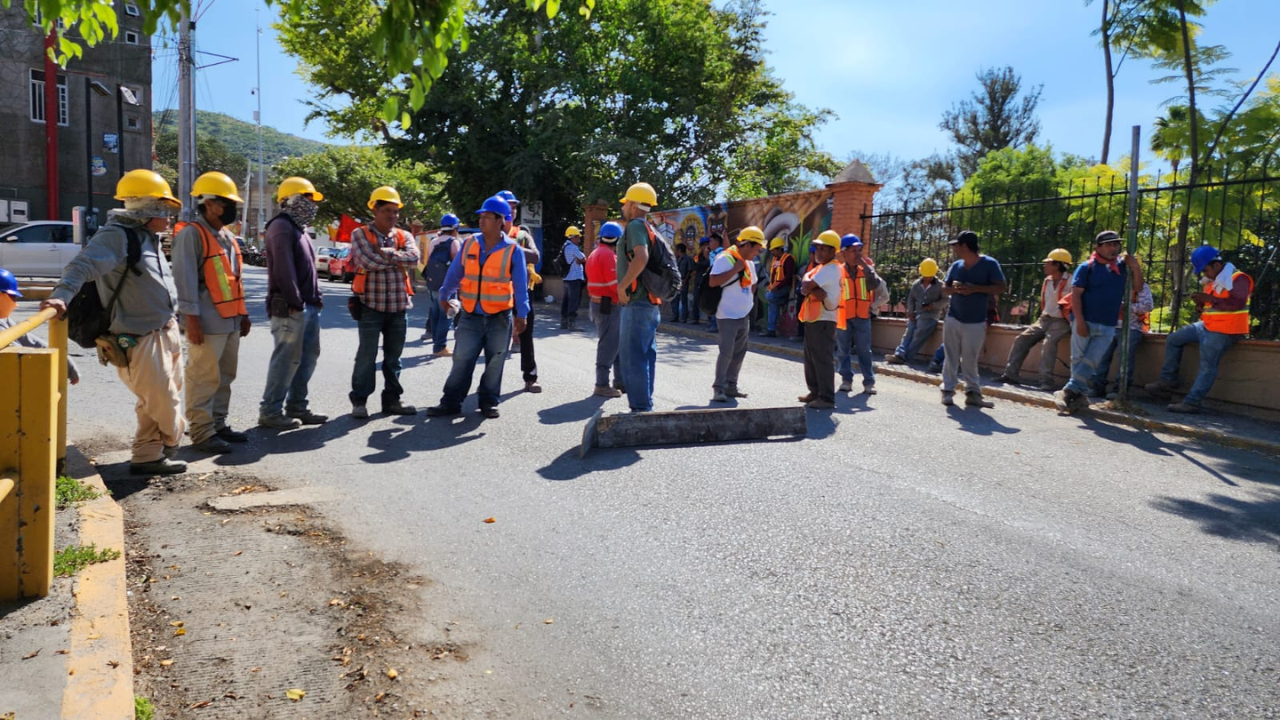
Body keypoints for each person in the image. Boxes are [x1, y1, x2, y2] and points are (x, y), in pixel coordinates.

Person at [41, 169, 186, 475]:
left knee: (152, 403)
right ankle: (174, 439)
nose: (170, 216)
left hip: (165, 330)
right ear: (148, 207)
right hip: (138, 336)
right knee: (163, 400)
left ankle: (147, 457)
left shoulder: (148, 237)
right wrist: (61, 295)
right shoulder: (117, 235)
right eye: (165, 207)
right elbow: (83, 264)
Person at [427, 195, 529, 418]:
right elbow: (455, 272)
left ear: (501, 220)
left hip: (500, 317)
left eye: (487, 217)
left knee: (495, 361)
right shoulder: (470, 243)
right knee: (462, 359)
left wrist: (522, 314)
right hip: (471, 314)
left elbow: (521, 286)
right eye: (481, 217)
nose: (482, 221)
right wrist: (444, 295)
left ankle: (488, 402)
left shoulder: (513, 250)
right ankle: (451, 402)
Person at [171, 172, 251, 453]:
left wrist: (243, 314)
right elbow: (185, 279)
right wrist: (190, 319)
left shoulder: (226, 235)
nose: (232, 208)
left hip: (229, 321)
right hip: (205, 321)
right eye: (227, 202)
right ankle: (202, 431)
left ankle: (218, 423)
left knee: (225, 376)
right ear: (208, 203)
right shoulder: (192, 234)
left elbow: (232, 279)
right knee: (203, 377)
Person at [1146, 245, 1254, 413]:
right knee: (1174, 339)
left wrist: (1209, 298)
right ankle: (1168, 381)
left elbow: (1237, 303)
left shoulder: (1239, 278)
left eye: (1205, 270)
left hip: (1226, 330)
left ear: (1216, 265)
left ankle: (1192, 402)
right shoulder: (1215, 279)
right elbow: (1213, 307)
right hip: (1206, 326)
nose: (1205, 274)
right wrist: (1201, 304)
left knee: (1207, 366)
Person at [260, 176, 328, 430]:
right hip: (291, 307)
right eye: (307, 198)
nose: (312, 204)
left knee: (307, 357)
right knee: (286, 359)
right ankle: (270, 411)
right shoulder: (281, 226)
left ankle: (297, 407)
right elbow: (283, 269)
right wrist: (295, 301)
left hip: (307, 306)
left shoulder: (299, 229)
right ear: (290, 201)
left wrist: (315, 300)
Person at [349, 185, 420, 419]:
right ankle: (359, 401)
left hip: (399, 307)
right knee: (366, 356)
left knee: (394, 358)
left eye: (395, 211)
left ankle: (392, 400)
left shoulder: (404, 235)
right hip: (371, 306)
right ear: (375, 210)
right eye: (387, 210)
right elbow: (367, 262)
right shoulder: (360, 234)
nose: (392, 216)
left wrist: (386, 253)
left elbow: (415, 258)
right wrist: (398, 259)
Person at [1056, 231, 1143, 414]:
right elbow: (1076, 296)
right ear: (1098, 247)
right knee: (1078, 359)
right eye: (1109, 245)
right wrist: (1079, 322)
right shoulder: (1086, 267)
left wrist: (1135, 267)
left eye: (1116, 244)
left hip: (1108, 324)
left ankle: (1068, 391)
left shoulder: (1122, 267)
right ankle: (1079, 397)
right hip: (1084, 320)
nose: (1113, 248)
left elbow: (1138, 288)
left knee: (1092, 360)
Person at [940, 230, 1006, 408]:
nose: (954, 249)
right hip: (953, 317)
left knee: (970, 358)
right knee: (951, 355)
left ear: (965, 246)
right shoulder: (956, 266)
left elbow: (1001, 287)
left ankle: (973, 393)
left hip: (976, 320)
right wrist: (955, 289)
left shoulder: (990, 264)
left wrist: (975, 288)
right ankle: (947, 390)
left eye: (957, 245)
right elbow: (944, 289)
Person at [995, 248, 1073, 391]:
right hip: (1045, 318)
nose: (1045, 266)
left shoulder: (1071, 281)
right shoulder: (1047, 281)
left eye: (1048, 263)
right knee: (1021, 339)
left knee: (1049, 344)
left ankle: (1046, 381)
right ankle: (1010, 374)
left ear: (1057, 265)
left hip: (1061, 320)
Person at [616, 181, 662, 413]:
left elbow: (641, 257)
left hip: (637, 303)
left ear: (634, 205)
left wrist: (622, 286)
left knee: (633, 357)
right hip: (650, 303)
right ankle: (645, 405)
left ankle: (640, 408)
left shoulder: (635, 225)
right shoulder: (650, 228)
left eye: (626, 203)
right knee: (645, 355)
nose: (623, 207)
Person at [709, 226, 763, 403]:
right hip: (726, 315)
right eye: (756, 248)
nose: (758, 252)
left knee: (739, 352)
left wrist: (748, 303)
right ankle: (719, 388)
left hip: (742, 315)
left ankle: (731, 386)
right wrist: (735, 269)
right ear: (746, 245)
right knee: (726, 352)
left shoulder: (748, 263)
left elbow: (752, 284)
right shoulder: (725, 259)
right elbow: (713, 281)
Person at [496, 190, 542, 393]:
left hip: (521, 292)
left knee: (526, 335)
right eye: (508, 206)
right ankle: (490, 384)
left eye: (514, 206)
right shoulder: (486, 235)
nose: (512, 210)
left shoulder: (522, 234)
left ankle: (530, 378)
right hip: (496, 292)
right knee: (494, 340)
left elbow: (535, 256)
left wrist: (508, 247)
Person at [0, 268, 79, 384]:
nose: (14, 303)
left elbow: (28, 340)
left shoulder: (3, 319)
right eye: (12, 297)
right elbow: (18, 353)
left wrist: (64, 361)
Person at [796, 230, 844, 410]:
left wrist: (810, 287)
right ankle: (815, 392)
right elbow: (804, 284)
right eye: (818, 248)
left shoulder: (831, 268)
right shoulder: (820, 268)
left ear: (833, 251)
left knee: (822, 359)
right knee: (811, 357)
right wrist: (814, 289)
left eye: (824, 249)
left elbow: (806, 284)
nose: (819, 252)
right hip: (815, 318)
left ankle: (826, 397)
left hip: (824, 319)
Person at [834, 234, 881, 395]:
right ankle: (846, 380)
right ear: (844, 253)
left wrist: (866, 267)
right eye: (853, 250)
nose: (857, 254)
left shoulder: (866, 270)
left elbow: (874, 285)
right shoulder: (838, 271)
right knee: (843, 350)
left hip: (862, 316)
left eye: (859, 250)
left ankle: (869, 382)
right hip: (843, 315)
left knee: (864, 350)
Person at [1091, 279, 1153, 398]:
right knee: (1101, 357)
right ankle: (1097, 387)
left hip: (1131, 327)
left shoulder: (1142, 287)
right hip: (1109, 327)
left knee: (1125, 360)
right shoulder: (1112, 283)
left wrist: (1127, 307)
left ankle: (1120, 390)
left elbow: (1148, 306)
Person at [586, 221, 625, 397]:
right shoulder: (608, 256)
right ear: (617, 240)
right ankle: (602, 384)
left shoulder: (594, 253)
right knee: (609, 345)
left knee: (615, 343)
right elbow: (614, 284)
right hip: (608, 305)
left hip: (598, 303)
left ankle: (620, 381)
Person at [886, 258, 944, 366]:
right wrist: (911, 312)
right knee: (909, 331)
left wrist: (933, 306)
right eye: (926, 276)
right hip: (917, 314)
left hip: (931, 316)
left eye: (930, 276)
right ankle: (900, 353)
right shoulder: (917, 284)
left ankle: (906, 357)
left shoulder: (940, 285)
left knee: (919, 333)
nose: (928, 278)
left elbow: (946, 300)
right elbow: (911, 299)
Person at [422, 213, 462, 356]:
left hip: (433, 284)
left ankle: (436, 344)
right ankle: (440, 347)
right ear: (455, 228)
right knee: (447, 315)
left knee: (435, 314)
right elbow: (459, 265)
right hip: (448, 285)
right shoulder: (454, 242)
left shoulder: (434, 241)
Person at [763, 237, 796, 338]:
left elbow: (788, 277)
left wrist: (778, 287)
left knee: (769, 297)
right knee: (772, 303)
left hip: (784, 288)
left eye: (773, 250)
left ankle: (782, 300)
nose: (772, 252)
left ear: (779, 249)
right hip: (775, 290)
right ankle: (771, 330)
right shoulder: (774, 259)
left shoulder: (788, 259)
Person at [560, 226, 586, 330]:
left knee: (566, 300)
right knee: (573, 301)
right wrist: (580, 259)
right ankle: (572, 324)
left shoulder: (565, 246)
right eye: (577, 237)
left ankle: (564, 322)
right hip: (574, 278)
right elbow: (583, 258)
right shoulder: (572, 247)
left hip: (567, 278)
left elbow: (580, 259)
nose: (579, 240)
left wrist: (579, 259)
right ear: (572, 237)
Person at [690, 237, 711, 325]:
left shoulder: (711, 255)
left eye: (707, 245)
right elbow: (694, 265)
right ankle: (695, 318)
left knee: (709, 301)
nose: (705, 247)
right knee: (696, 300)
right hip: (698, 280)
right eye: (704, 245)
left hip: (708, 281)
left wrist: (707, 257)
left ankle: (710, 321)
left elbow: (709, 264)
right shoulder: (697, 256)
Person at [673, 242, 694, 323]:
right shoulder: (676, 259)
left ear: (679, 250)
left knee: (683, 299)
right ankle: (675, 316)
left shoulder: (687, 258)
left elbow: (690, 269)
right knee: (675, 299)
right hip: (676, 281)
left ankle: (684, 317)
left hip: (683, 280)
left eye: (676, 249)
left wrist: (686, 279)